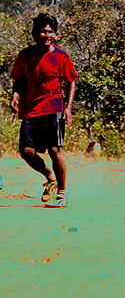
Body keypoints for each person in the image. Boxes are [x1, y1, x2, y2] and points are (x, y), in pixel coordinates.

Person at [10, 13, 78, 208]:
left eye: (50, 31)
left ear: (55, 34)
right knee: (26, 151)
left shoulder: (61, 56)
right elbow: (19, 80)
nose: (47, 35)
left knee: (54, 149)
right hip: (31, 109)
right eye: (43, 31)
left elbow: (72, 81)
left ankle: (62, 193)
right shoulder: (24, 56)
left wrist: (68, 108)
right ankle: (49, 177)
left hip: (53, 107)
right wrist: (15, 96)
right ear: (34, 34)